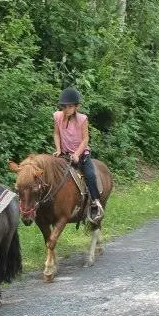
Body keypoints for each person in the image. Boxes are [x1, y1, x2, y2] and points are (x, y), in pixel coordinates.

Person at [53, 87, 104, 224]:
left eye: (70, 106)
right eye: (64, 106)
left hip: (80, 154)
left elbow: (85, 139)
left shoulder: (82, 119)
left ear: (76, 106)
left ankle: (95, 202)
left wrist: (77, 154)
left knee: (90, 174)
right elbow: (57, 134)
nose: (67, 109)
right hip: (64, 154)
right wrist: (58, 149)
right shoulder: (57, 116)